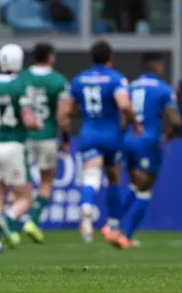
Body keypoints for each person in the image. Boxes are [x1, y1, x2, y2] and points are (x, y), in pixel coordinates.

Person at [62, 40, 142, 244]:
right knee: (114, 178)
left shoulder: (79, 80)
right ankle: (113, 225)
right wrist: (135, 123)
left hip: (89, 133)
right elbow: (124, 104)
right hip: (112, 134)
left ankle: (86, 208)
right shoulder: (116, 79)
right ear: (110, 58)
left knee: (91, 176)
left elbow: (67, 111)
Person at [114, 53, 181, 248]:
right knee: (145, 188)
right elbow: (176, 121)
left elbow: (123, 115)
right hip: (147, 139)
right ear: (158, 66)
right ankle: (126, 236)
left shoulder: (130, 86)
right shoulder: (163, 88)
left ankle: (112, 225)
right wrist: (170, 134)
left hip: (128, 139)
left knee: (135, 185)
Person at [0, 44, 42, 253]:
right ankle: (7, 221)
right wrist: (37, 123)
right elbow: (27, 119)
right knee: (25, 198)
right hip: (13, 146)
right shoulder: (21, 84)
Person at [17, 43, 70, 243]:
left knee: (22, 184)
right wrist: (65, 138)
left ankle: (13, 226)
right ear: (50, 57)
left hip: (25, 139)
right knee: (46, 182)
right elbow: (62, 115)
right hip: (47, 137)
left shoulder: (22, 78)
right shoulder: (58, 80)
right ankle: (33, 221)